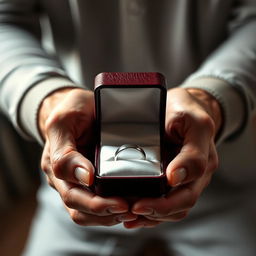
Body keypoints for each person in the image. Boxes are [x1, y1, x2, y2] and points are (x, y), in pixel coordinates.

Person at [0, 0, 256, 255]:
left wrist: (211, 101)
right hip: (80, 174)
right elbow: (5, 21)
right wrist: (49, 101)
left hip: (226, 178)